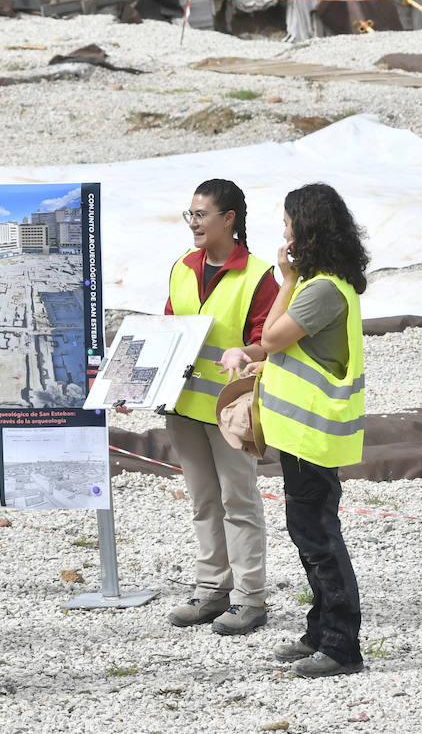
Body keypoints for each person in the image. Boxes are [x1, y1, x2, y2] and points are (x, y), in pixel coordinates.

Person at [221, 182, 369, 678]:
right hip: (300, 434)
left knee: (320, 537)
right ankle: (319, 630)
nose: (282, 232)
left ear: (306, 228)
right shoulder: (320, 284)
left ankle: (342, 645)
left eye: (287, 223)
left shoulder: (321, 288)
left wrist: (285, 278)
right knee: (308, 533)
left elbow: (273, 335)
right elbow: (277, 347)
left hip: (312, 435)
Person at [159, 179, 279, 636]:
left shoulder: (259, 276)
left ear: (228, 219)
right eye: (189, 214)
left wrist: (247, 353)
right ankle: (212, 590)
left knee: (239, 500)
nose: (193, 223)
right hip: (183, 405)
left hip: (233, 407)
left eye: (201, 214)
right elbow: (169, 330)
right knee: (204, 500)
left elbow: (269, 342)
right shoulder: (182, 267)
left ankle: (250, 598)